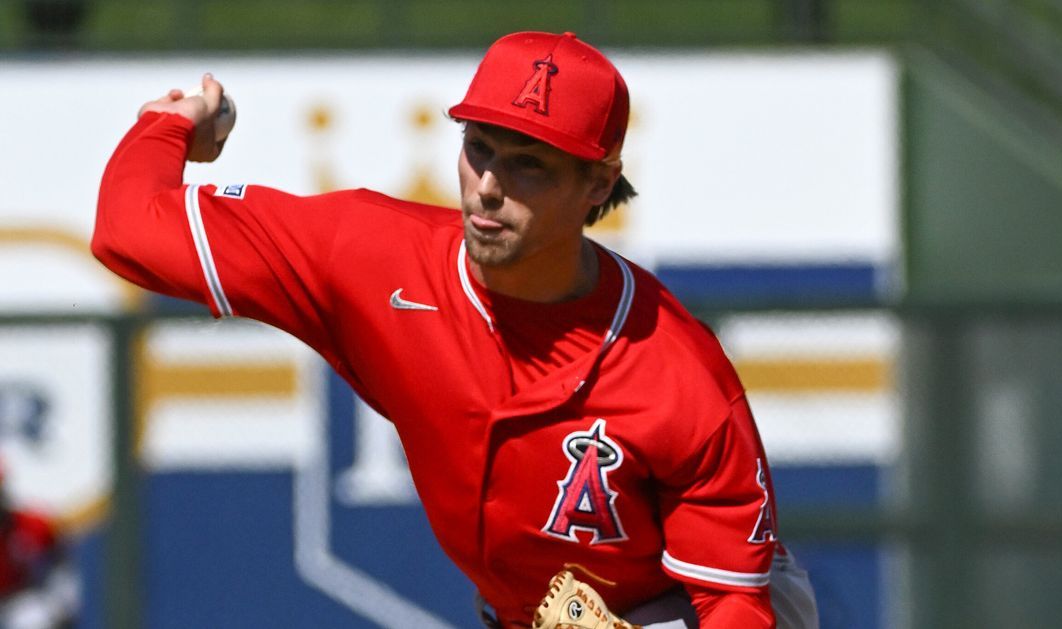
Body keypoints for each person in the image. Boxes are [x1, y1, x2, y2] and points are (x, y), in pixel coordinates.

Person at [93, 31, 817, 628]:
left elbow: (734, 601)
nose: (490, 185)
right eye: (480, 147)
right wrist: (168, 125)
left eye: (529, 164)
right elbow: (129, 230)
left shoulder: (677, 372)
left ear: (597, 185)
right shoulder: (370, 254)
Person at [0, 465, 78, 629]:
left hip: (22, 604)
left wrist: (61, 605)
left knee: (31, 618)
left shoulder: (33, 524)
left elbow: (61, 569)